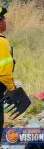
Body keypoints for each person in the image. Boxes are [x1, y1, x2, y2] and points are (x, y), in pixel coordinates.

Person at [0, 7, 16, 138]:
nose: (5, 22)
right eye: (4, 19)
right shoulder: (2, 42)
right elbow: (4, 73)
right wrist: (11, 89)